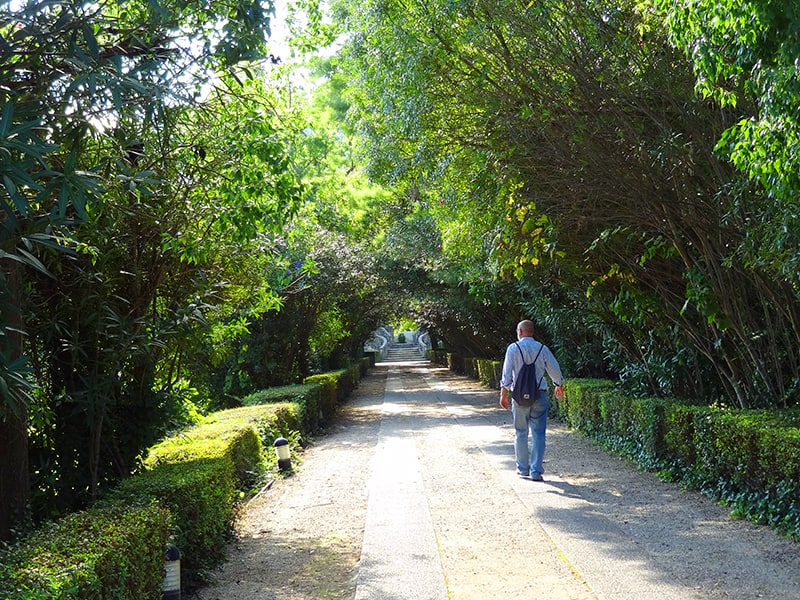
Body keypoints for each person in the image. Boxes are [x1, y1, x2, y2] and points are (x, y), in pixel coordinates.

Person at [499, 319, 565, 481]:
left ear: (520, 332)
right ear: (532, 332)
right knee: (539, 434)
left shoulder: (513, 349)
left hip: (519, 397)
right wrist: (559, 385)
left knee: (520, 432)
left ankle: (522, 469)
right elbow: (555, 369)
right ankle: (536, 472)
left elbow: (507, 374)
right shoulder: (542, 349)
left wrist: (503, 394)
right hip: (539, 394)